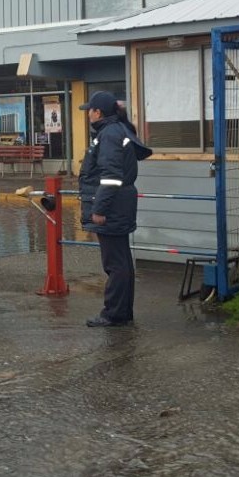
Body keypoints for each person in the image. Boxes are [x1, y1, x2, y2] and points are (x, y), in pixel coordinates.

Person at [78, 91, 152, 327]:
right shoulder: (118, 130)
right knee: (121, 261)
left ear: (98, 112)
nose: (88, 114)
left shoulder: (109, 134)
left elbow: (110, 177)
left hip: (112, 206)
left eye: (89, 110)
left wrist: (99, 209)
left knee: (114, 263)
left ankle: (114, 313)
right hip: (121, 203)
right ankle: (122, 311)